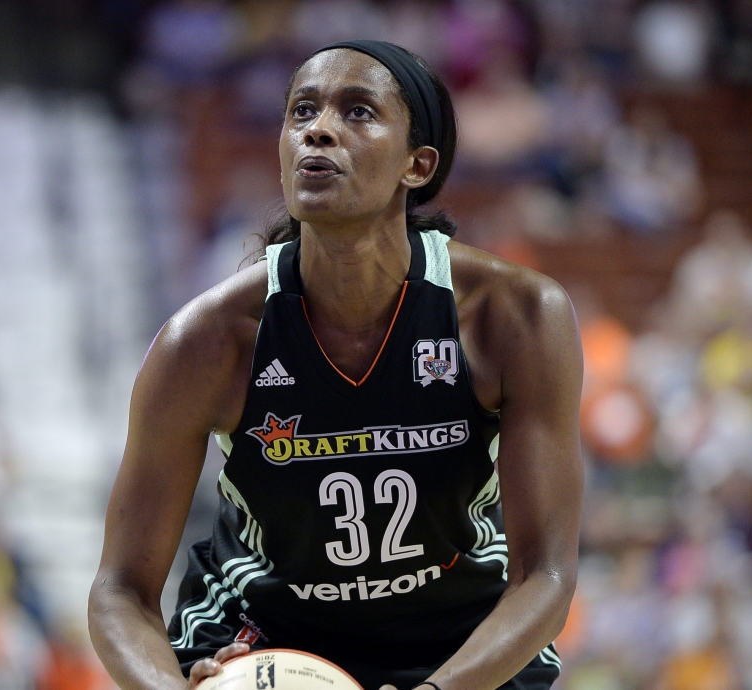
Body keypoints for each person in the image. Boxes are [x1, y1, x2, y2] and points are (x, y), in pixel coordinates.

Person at [89, 40, 583, 690]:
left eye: (357, 111)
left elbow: (545, 575)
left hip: (462, 637)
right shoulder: (205, 341)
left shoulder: (515, 316)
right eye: (301, 112)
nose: (318, 129)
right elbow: (121, 591)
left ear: (418, 164)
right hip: (261, 638)